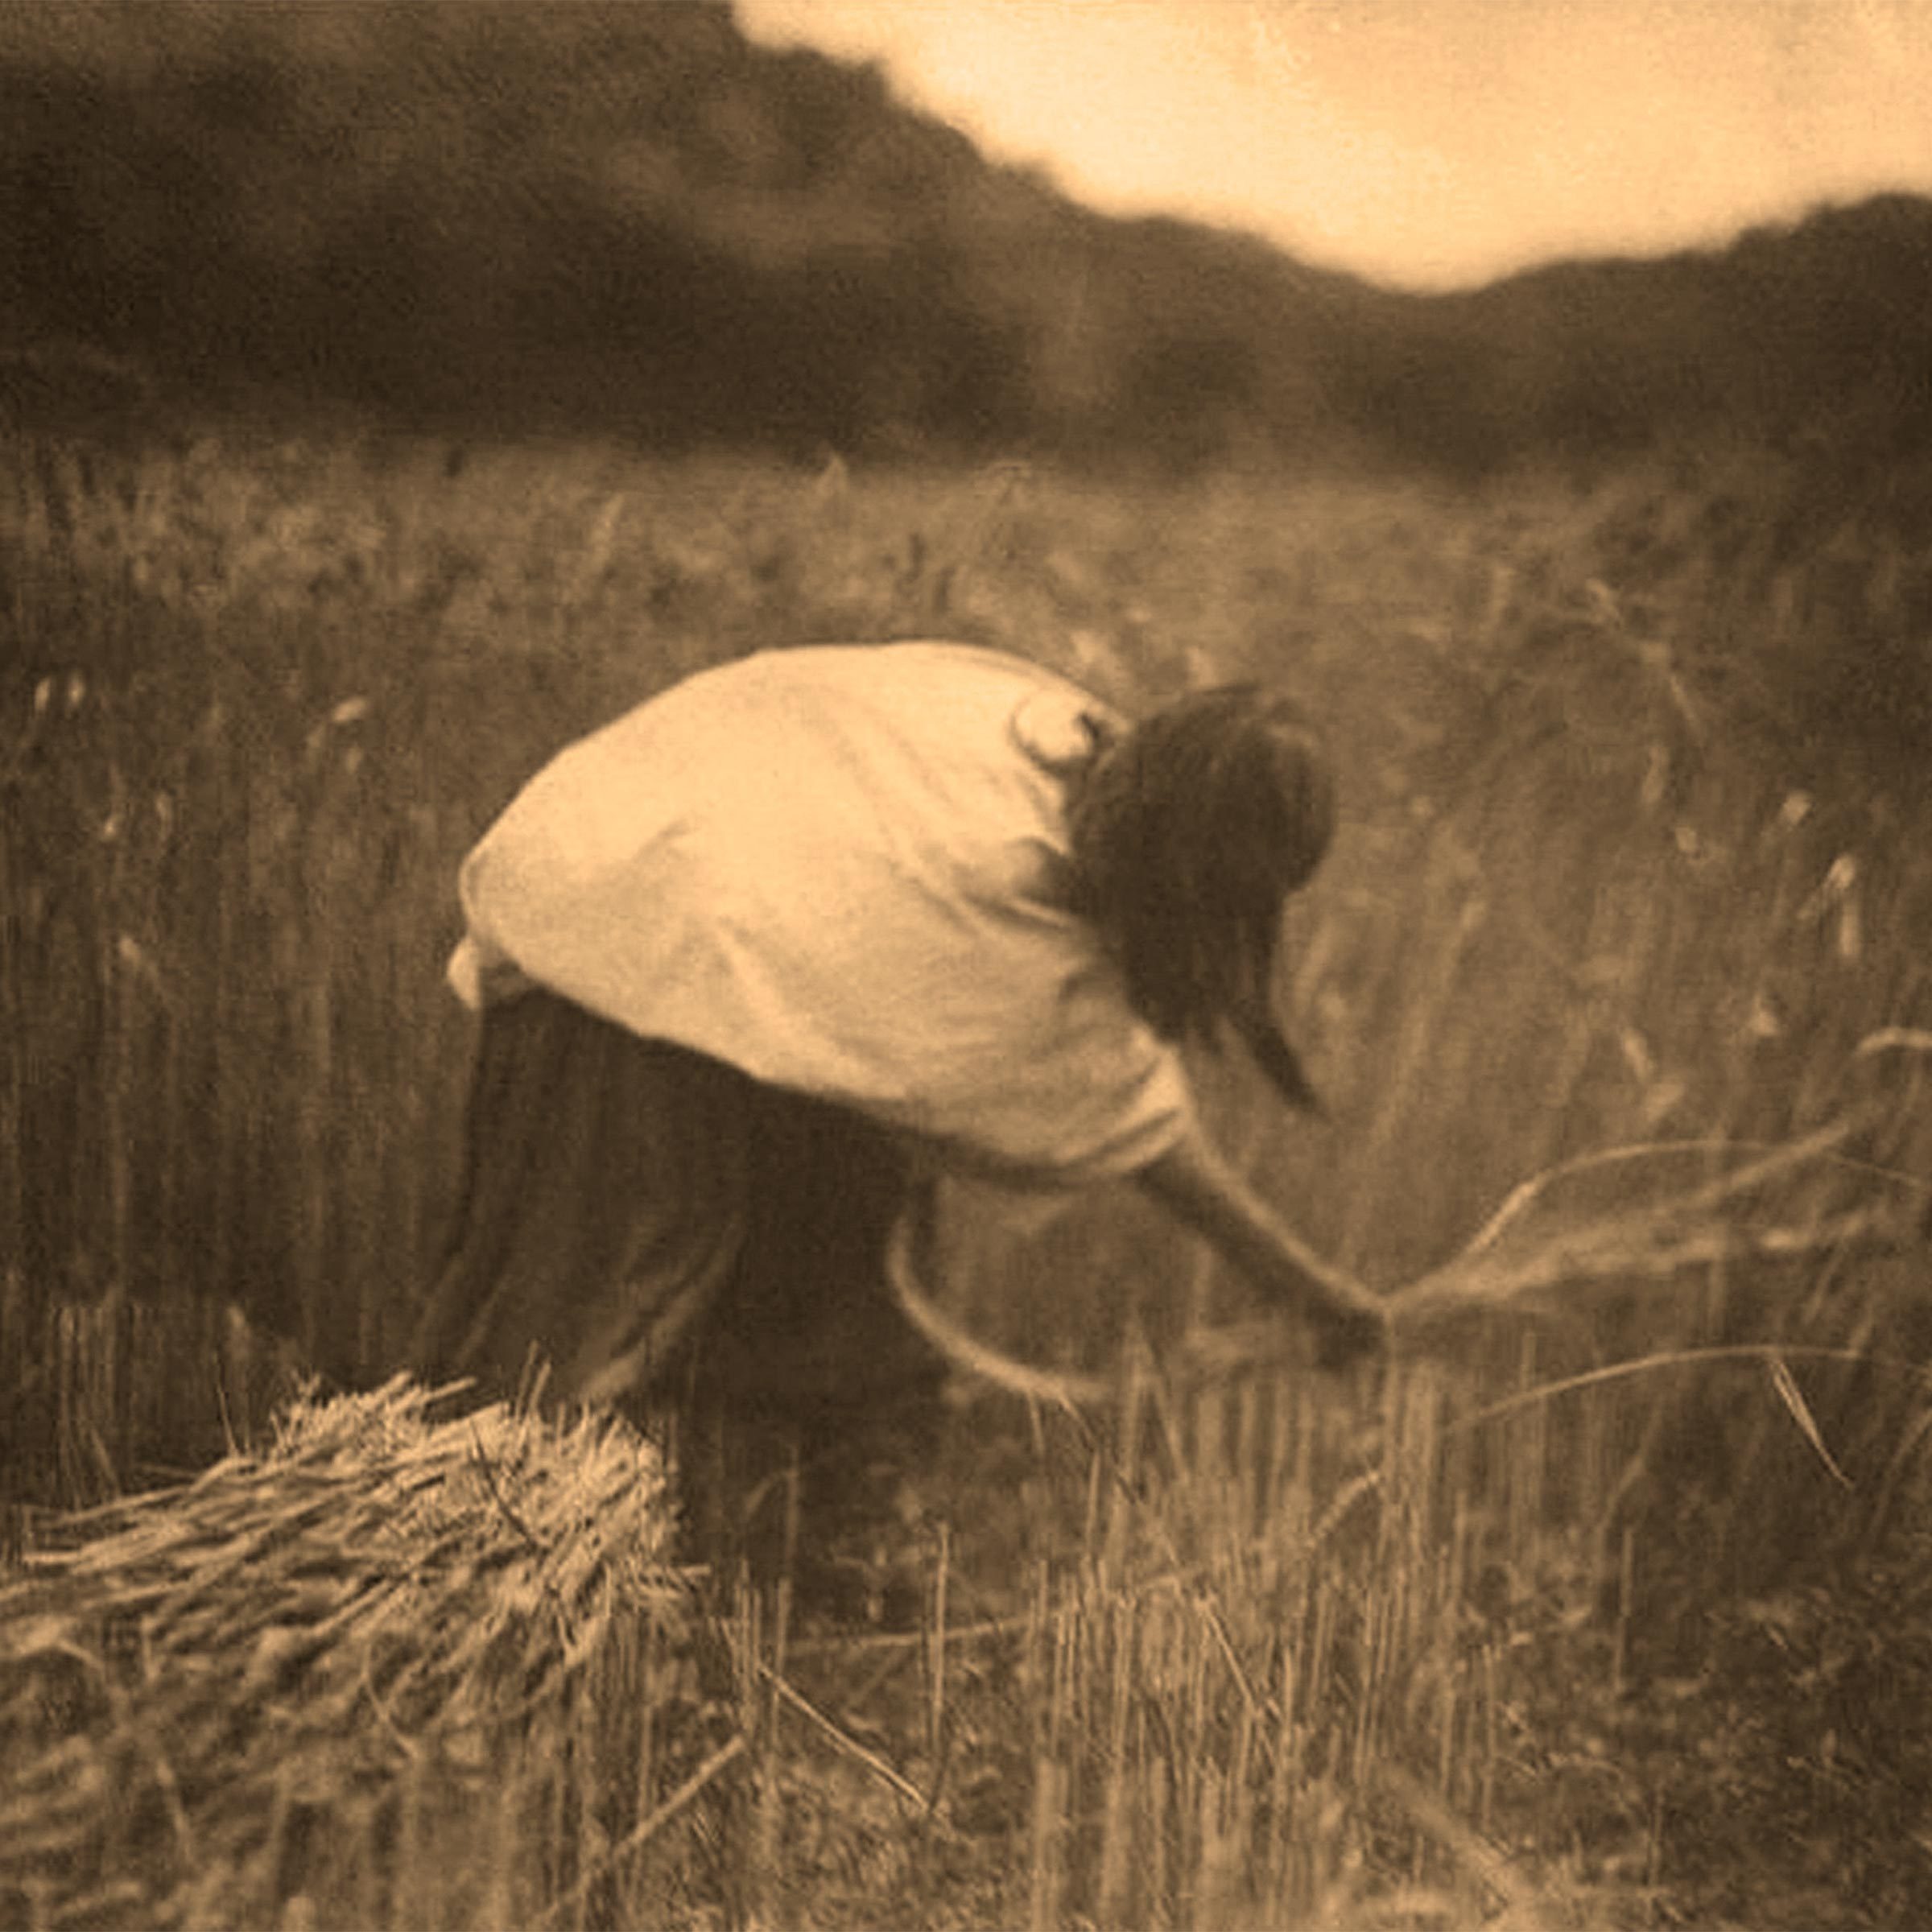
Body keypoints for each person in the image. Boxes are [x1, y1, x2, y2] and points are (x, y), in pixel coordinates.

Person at [407, 640, 1386, 1570]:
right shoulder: (985, 883)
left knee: (843, 1250)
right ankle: (469, 1565)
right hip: (621, 928)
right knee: (574, 1335)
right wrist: (1312, 1292)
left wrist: (1313, 1293)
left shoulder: (1050, 735)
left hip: (668, 868)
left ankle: (807, 1552)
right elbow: (1138, 1130)